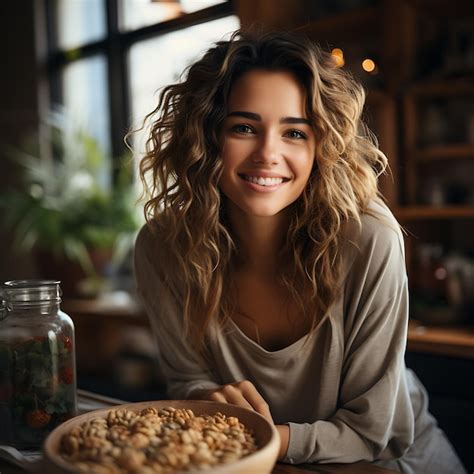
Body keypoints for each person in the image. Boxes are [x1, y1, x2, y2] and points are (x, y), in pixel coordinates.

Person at [133, 30, 465, 473]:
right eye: (244, 128)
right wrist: (202, 397)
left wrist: (263, 439)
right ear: (207, 136)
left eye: (294, 132)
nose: (268, 153)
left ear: (321, 145)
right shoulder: (163, 248)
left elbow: (372, 432)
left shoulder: (369, 239)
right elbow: (187, 379)